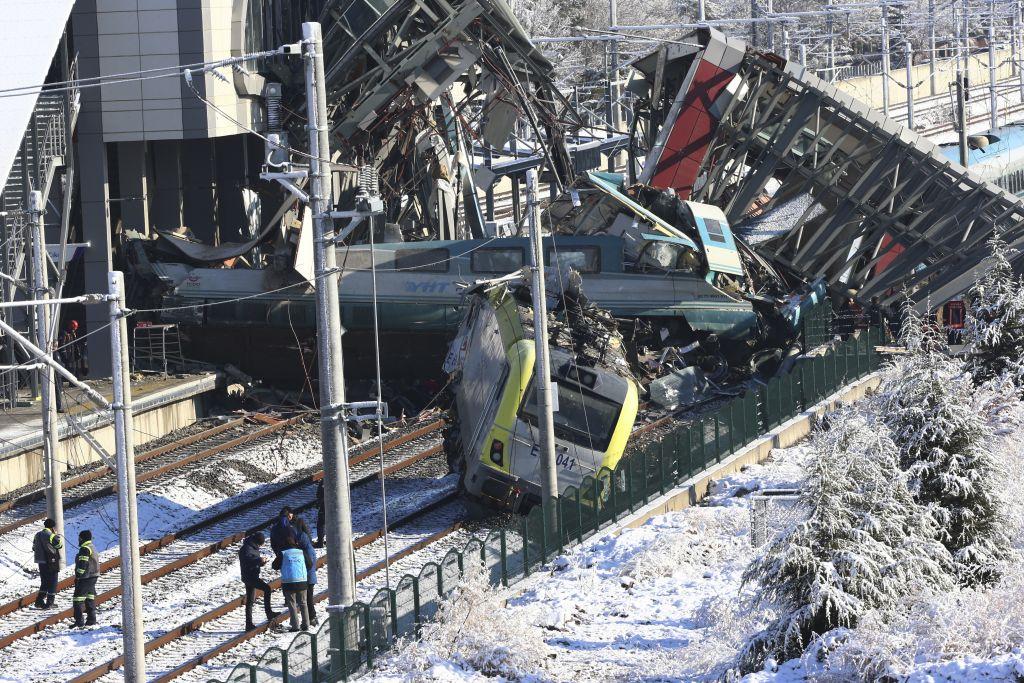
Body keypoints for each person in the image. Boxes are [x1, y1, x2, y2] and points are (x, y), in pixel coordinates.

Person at [238, 532, 278, 631]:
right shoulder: (247, 548)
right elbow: (247, 560)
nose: (260, 546)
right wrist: (259, 560)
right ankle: (269, 614)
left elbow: (253, 561)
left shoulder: (252, 547)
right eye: (260, 544)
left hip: (251, 575)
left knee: (250, 601)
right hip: (250, 577)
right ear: (257, 542)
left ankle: (249, 624)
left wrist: (261, 563)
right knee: (267, 589)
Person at [279, 531, 309, 632]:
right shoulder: (301, 552)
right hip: (302, 581)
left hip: (288, 583)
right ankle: (306, 624)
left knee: (292, 604)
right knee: (303, 603)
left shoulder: (283, 553)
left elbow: (274, 565)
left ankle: (295, 626)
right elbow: (310, 564)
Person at [32, 518, 64, 608]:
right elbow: (59, 545)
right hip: (51, 561)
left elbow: (34, 547)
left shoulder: (37, 535)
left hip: (41, 562)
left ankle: (39, 601)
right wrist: (56, 535)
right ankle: (50, 602)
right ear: (52, 527)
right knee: (53, 581)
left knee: (45, 582)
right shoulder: (51, 535)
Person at [293, 516, 319, 626]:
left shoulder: (305, 548)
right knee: (307, 599)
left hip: (307, 577)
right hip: (310, 576)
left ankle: (312, 618)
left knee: (307, 599)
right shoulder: (308, 546)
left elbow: (308, 564)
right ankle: (311, 617)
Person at [72, 529, 98, 628]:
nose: (78, 540)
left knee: (77, 599)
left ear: (81, 538)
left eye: (79, 538)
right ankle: (91, 620)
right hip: (93, 576)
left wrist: (78, 575)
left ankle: (79, 622)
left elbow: (83, 563)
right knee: (89, 597)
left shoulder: (84, 548)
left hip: (86, 577)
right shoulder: (92, 546)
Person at [314, 480, 325, 548]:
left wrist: (319, 503)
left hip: (324, 507)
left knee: (320, 524)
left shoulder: (323, 481)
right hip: (334, 507)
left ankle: (320, 542)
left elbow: (318, 494)